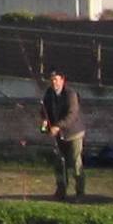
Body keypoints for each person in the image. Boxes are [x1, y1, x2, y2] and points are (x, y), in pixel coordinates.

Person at [35, 67, 86, 200]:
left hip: (73, 134)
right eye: (51, 80)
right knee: (58, 163)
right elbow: (44, 111)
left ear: (63, 80)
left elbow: (72, 115)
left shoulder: (71, 94)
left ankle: (80, 193)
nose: (54, 83)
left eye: (56, 80)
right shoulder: (49, 93)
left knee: (75, 163)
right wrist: (44, 124)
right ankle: (61, 190)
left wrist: (58, 126)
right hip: (58, 136)